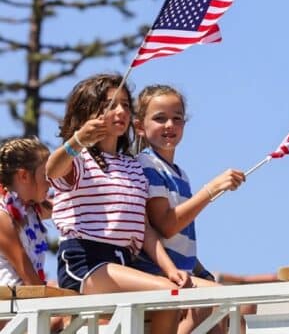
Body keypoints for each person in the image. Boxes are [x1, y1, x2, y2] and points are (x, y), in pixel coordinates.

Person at [46, 74, 189, 334]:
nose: (121, 111)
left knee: (177, 292)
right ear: (89, 111)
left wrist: (170, 269)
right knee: (170, 294)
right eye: (111, 105)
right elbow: (53, 170)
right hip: (85, 261)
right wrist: (77, 141)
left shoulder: (133, 166)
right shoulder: (79, 158)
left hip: (121, 261)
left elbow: (144, 228)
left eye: (125, 104)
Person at [132, 84, 248, 334]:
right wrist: (212, 189)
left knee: (229, 316)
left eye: (177, 118)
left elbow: (179, 239)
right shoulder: (146, 164)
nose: (169, 125)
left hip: (183, 271)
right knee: (220, 303)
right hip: (156, 272)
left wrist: (200, 270)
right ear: (139, 126)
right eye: (159, 118)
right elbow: (166, 224)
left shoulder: (179, 173)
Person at [0, 137, 68, 331]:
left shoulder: (31, 208)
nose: (51, 182)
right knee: (67, 316)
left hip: (22, 303)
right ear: (23, 176)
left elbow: (68, 210)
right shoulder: (3, 216)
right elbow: (28, 275)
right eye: (46, 175)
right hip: (6, 306)